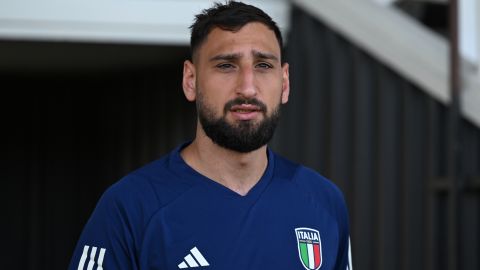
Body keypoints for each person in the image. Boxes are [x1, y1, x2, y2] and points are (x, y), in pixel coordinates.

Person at [69, 1, 352, 269]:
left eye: (263, 65)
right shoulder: (130, 207)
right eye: (226, 65)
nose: (248, 88)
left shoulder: (323, 201)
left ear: (285, 82)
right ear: (190, 81)